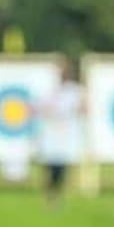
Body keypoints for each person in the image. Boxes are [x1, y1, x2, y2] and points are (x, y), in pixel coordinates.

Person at [34, 57, 85, 202]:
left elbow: (84, 107)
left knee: (61, 168)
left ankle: (55, 194)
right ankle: (50, 194)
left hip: (66, 135)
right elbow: (37, 107)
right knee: (49, 166)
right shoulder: (46, 89)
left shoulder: (74, 90)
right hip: (49, 134)